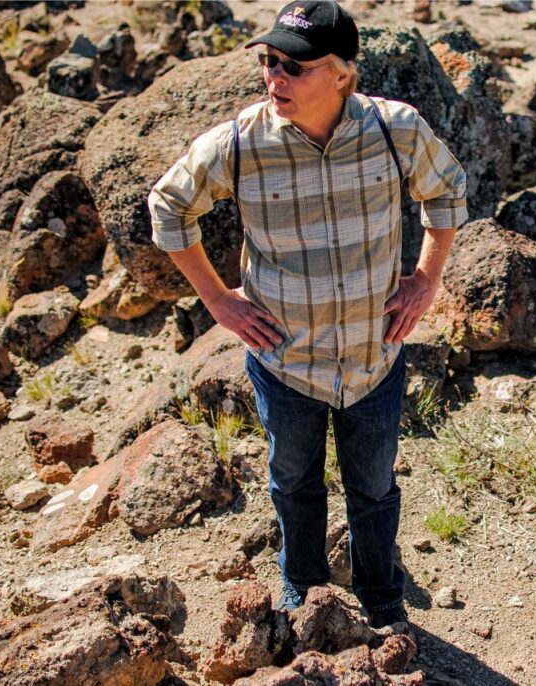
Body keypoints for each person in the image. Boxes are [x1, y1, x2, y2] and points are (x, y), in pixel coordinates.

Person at [147, 0, 467, 630]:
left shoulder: (395, 130)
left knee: (374, 488)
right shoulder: (241, 143)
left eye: (294, 66)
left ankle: (380, 595)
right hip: (284, 360)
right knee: (294, 483)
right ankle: (305, 586)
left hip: (373, 357)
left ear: (342, 74)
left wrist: (427, 278)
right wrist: (217, 298)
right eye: (268, 62)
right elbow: (167, 207)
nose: (275, 78)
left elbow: (446, 190)